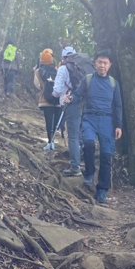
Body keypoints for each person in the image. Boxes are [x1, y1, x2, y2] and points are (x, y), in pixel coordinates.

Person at [79, 51, 123, 205]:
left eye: (105, 63)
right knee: (88, 143)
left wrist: (118, 125)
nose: (102, 65)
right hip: (89, 118)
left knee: (106, 156)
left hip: (107, 121)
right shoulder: (88, 80)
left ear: (109, 65)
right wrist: (69, 98)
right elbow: (78, 95)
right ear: (95, 63)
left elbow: (118, 105)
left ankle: (102, 191)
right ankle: (89, 173)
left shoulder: (113, 83)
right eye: (99, 62)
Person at [53, 46, 86, 178]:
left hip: (70, 103)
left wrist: (56, 95)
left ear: (63, 58)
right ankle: (83, 161)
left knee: (72, 136)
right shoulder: (83, 67)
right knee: (81, 134)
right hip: (85, 103)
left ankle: (75, 167)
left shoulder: (63, 68)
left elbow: (57, 90)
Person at [34, 49, 62, 150]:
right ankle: (54, 141)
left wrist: (44, 89)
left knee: (48, 122)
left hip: (45, 101)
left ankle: (50, 142)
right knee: (55, 123)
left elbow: (37, 85)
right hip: (57, 100)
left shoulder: (38, 71)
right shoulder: (58, 70)